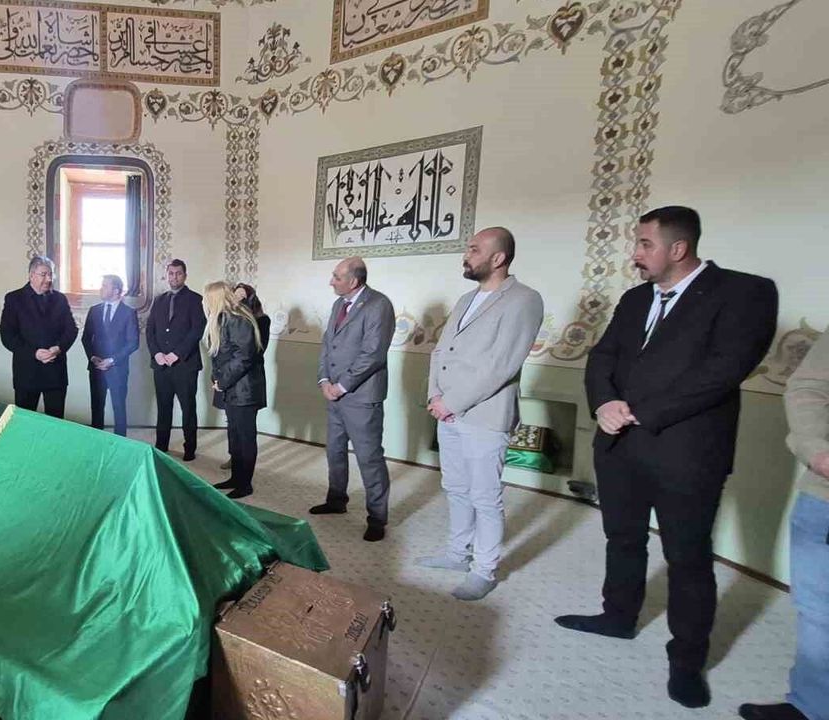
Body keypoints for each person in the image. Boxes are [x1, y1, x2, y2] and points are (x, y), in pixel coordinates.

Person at [553, 206, 778, 709]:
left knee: (688, 559)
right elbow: (603, 356)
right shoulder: (635, 299)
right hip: (619, 446)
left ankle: (687, 662)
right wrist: (604, 403)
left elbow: (723, 372)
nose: (635, 254)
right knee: (622, 540)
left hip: (686, 453)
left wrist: (638, 412)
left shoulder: (746, 292)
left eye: (644, 244)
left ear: (678, 248)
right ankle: (617, 617)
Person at [421, 227, 544, 601]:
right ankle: (458, 555)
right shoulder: (466, 299)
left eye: (474, 249)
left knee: (485, 497)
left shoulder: (524, 300)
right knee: (456, 488)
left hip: (485, 416)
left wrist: (451, 402)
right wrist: (435, 396)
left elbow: (501, 365)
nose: (466, 254)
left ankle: (485, 570)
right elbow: (440, 352)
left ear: (498, 258)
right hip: (448, 411)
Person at [738, 329, 829, 720]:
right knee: (818, 609)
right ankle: (813, 707)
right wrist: (819, 453)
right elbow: (808, 388)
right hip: (826, 494)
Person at [309, 257, 396, 542]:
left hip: (361, 397)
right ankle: (336, 500)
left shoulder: (378, 305)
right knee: (334, 451)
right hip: (333, 394)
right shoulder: (339, 304)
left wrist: (342, 386)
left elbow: (373, 354)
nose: (331, 281)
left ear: (354, 281)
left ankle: (377, 518)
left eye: (336, 277)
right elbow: (327, 345)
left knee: (369, 458)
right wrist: (324, 380)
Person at [202, 281, 266, 499]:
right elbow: (220, 356)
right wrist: (217, 379)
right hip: (232, 388)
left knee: (245, 438)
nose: (204, 302)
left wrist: (222, 381)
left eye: (206, 297)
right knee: (235, 436)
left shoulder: (237, 319)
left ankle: (245, 484)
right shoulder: (223, 319)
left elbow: (244, 357)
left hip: (244, 390)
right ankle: (236, 478)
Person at [0, 256, 79, 418]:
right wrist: (34, 353)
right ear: (31, 275)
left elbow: (71, 330)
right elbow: (7, 336)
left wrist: (58, 348)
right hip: (27, 372)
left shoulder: (59, 299)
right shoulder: (14, 299)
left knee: (56, 423)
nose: (49, 279)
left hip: (55, 372)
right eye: (44, 274)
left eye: (51, 274)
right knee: (26, 422)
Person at [146, 259, 206, 460]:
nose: (174, 277)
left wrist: (177, 354)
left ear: (185, 276)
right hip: (161, 365)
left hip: (185, 365)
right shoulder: (159, 300)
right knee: (163, 407)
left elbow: (196, 330)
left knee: (188, 408)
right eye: (171, 273)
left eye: (178, 273)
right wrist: (157, 354)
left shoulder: (195, 299)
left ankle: (190, 448)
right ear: (167, 276)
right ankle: (161, 445)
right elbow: (150, 331)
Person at [221, 283, 271, 471]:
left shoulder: (262, 320)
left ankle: (244, 474)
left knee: (246, 430)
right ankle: (235, 459)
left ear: (250, 298)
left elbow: (257, 351)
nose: (238, 300)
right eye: (236, 295)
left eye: (242, 296)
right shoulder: (230, 318)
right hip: (231, 378)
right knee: (232, 425)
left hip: (249, 382)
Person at [81, 274, 139, 436]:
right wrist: (92, 357)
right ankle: (97, 441)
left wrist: (112, 360)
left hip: (117, 369)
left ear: (116, 291)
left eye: (105, 286)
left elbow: (133, 343)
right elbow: (86, 338)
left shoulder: (128, 313)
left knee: (119, 408)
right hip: (96, 368)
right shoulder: (94, 311)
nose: (101, 289)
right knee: (96, 407)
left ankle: (120, 442)